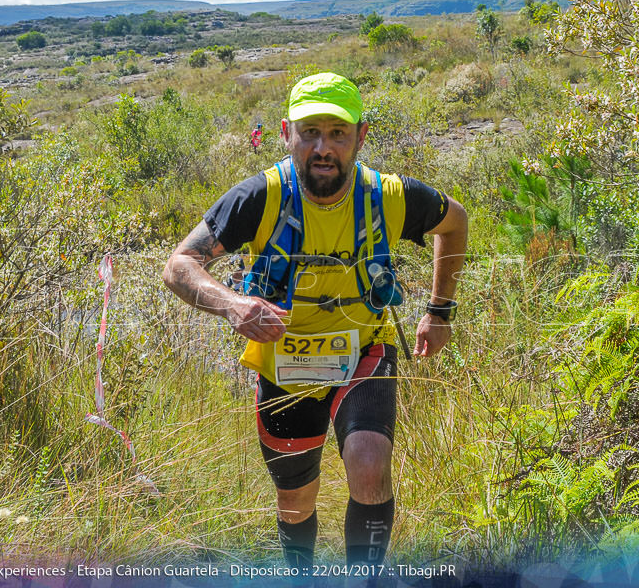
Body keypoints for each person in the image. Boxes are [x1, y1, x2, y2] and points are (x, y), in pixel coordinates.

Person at [162, 72, 467, 570]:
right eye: (310, 132)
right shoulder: (259, 197)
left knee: (370, 467)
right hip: (282, 364)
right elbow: (180, 266)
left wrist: (439, 311)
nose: (323, 148)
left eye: (338, 133)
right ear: (287, 133)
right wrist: (232, 305)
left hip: (365, 351)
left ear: (360, 137)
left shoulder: (389, 196)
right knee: (295, 502)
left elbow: (454, 223)